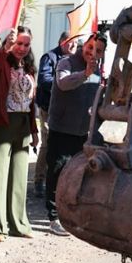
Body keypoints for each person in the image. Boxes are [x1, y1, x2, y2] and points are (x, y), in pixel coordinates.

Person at [44, 33, 106, 236]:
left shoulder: (99, 69)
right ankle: (53, 217)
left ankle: (72, 215)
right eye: (90, 47)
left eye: (98, 50)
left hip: (83, 132)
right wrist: (85, 75)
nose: (93, 53)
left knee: (80, 174)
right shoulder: (66, 62)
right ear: (84, 45)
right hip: (61, 129)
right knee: (57, 172)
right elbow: (63, 83)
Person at [0, 26, 39, 242]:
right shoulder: (1, 61)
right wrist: (5, 48)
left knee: (19, 178)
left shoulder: (29, 67)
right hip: (0, 124)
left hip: (23, 125)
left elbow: (30, 102)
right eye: (19, 43)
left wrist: (33, 130)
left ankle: (18, 224)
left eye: (26, 44)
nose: (22, 48)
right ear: (11, 43)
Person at [34, 32, 75, 198]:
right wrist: (63, 83)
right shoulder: (49, 57)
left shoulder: (76, 60)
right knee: (47, 144)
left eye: (77, 42)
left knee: (65, 146)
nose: (74, 45)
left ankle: (60, 181)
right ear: (62, 42)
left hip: (67, 110)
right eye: (71, 42)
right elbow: (43, 79)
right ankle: (39, 181)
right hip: (48, 109)